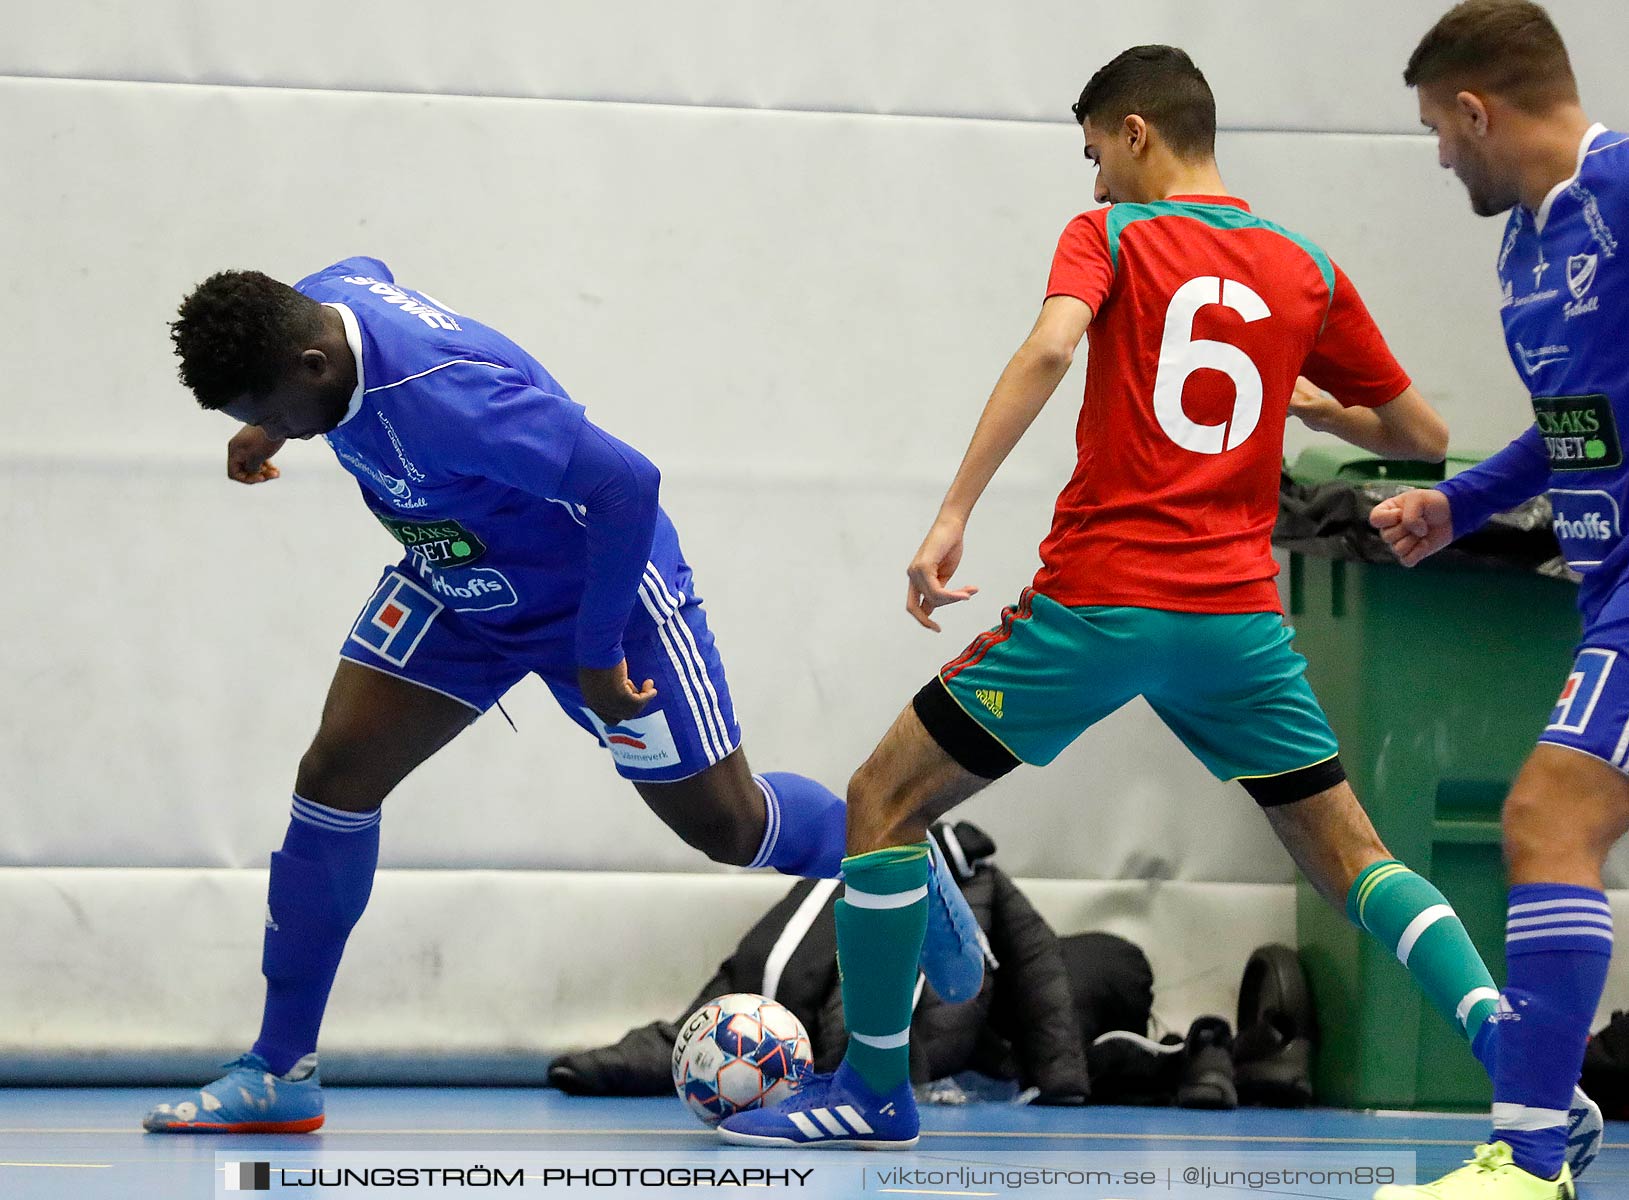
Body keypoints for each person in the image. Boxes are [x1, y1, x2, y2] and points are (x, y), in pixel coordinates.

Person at [718, 44, 1597, 1168]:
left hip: (1101, 601)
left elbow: (1048, 347)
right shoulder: (1305, 265)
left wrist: (950, 514)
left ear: (1137, 132)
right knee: (1355, 857)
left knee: (880, 799)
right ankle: (1522, 1067)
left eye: (1095, 155)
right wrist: (1316, 407)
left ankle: (875, 1092)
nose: (1092, 186)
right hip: (1235, 621)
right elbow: (1422, 437)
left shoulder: (1111, 238)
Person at [141, 258, 983, 1133]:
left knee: (729, 827)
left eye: (276, 414)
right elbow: (359, 270)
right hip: (456, 581)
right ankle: (282, 1068)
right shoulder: (319, 314)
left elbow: (626, 484)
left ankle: (888, 847)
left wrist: (592, 656)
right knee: (335, 775)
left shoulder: (452, 398)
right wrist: (272, 430)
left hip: (598, 599)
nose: (283, 433)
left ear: (315, 367)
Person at [1368, 2, 1627, 1196]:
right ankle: (1544, 1128)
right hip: (1604, 589)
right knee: (1554, 823)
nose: (1437, 157)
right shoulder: (1527, 246)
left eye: (1437, 130)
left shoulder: (1624, 191)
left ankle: (1528, 1159)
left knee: (1545, 819)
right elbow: (1577, 427)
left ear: (1478, 111)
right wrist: (1460, 503)